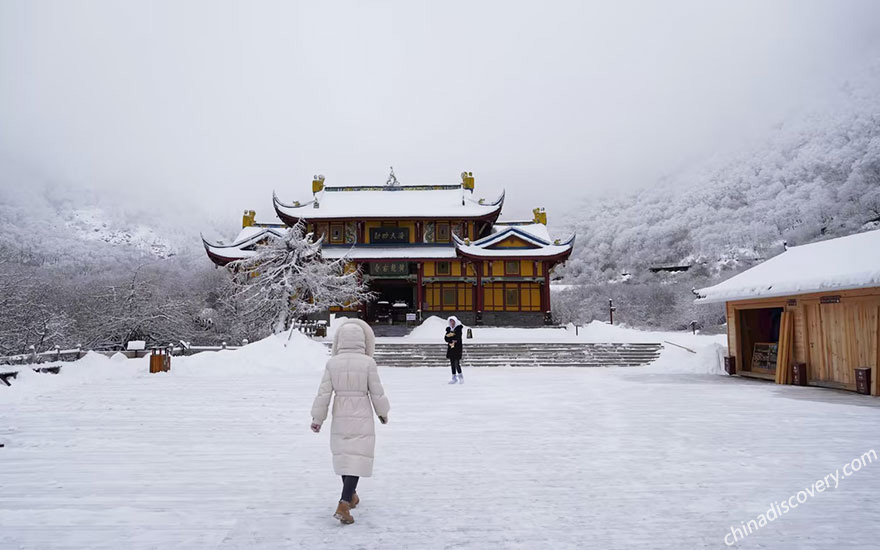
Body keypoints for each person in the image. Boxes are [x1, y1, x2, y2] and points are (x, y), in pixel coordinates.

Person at [310, 318, 390, 525]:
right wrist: (383, 412)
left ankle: (351, 495)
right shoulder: (368, 362)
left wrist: (318, 418)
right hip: (361, 412)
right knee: (356, 456)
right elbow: (377, 391)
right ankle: (344, 503)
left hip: (340, 412)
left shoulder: (332, 363)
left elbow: (324, 392)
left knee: (346, 455)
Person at [444, 315, 464, 384]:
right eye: (451, 321)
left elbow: (457, 338)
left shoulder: (458, 329)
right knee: (452, 363)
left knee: (457, 363)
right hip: (451, 347)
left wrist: (451, 337)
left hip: (457, 348)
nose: (452, 323)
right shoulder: (449, 329)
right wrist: (451, 339)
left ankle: (460, 377)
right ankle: (454, 377)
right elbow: (446, 338)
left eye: (453, 321)